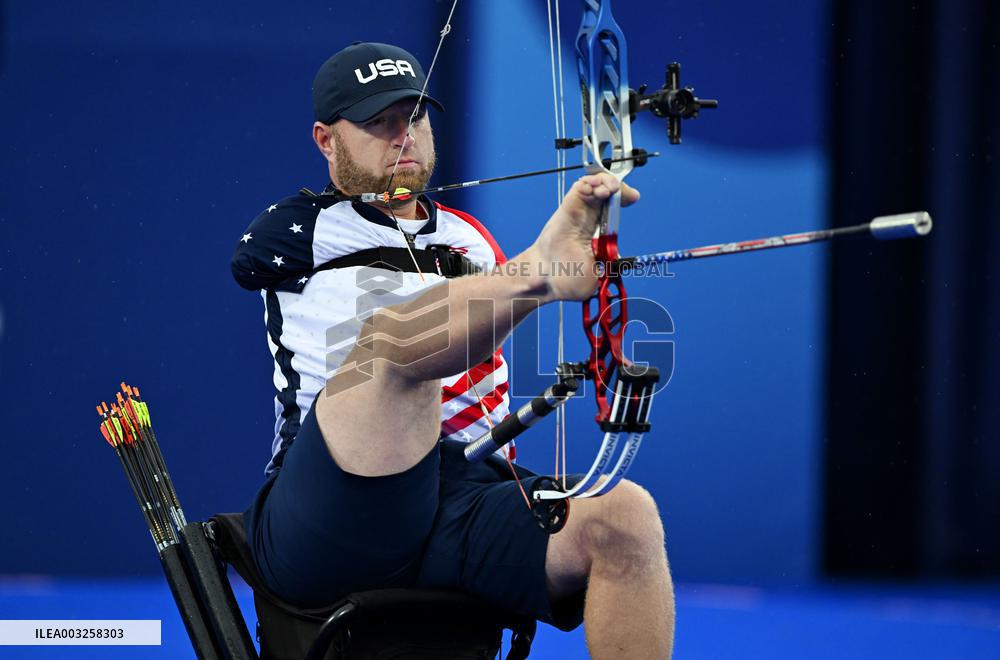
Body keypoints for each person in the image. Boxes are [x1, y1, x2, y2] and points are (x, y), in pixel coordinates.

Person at [232, 41, 676, 658]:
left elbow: (478, 353)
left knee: (624, 517)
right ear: (326, 141)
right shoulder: (295, 231)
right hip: (332, 516)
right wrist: (535, 274)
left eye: (413, 116)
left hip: (456, 501)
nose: (402, 136)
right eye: (376, 122)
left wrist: (538, 274)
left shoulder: (468, 237)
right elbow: (256, 264)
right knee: (393, 349)